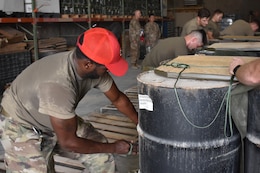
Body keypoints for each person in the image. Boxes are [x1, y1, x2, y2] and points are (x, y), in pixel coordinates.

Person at [0, 27, 138, 172]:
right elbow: (68, 142)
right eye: (107, 68)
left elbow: (118, 99)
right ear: (88, 65)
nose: (109, 71)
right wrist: (115, 147)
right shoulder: (59, 85)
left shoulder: (93, 70)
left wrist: (139, 123)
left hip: (55, 116)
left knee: (101, 155)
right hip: (20, 123)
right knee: (39, 169)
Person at [142, 29, 207, 69]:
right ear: (194, 40)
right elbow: (183, 67)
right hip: (149, 69)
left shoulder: (179, 40)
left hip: (149, 64)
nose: (195, 48)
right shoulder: (181, 48)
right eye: (197, 45)